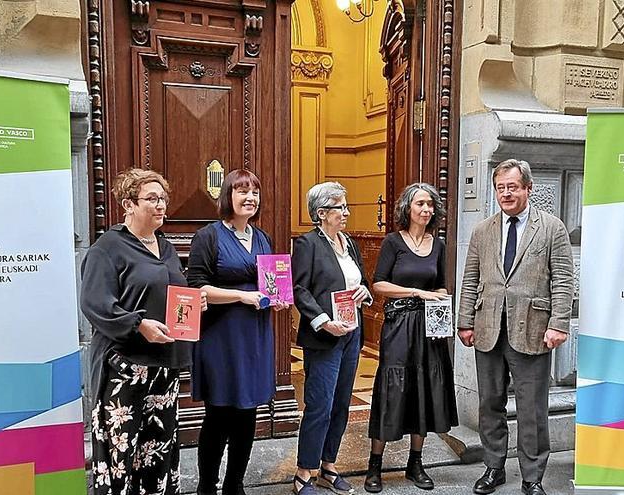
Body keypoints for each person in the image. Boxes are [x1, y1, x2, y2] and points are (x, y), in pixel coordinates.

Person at [81, 168, 207, 495]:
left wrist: (194, 305)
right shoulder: (107, 248)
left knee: (158, 452)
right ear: (128, 204)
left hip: (164, 366)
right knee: (121, 454)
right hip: (126, 367)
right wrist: (138, 325)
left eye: (163, 198)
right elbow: (95, 304)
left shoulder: (164, 246)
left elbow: (168, 295)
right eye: (152, 199)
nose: (161, 205)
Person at [457, 159, 574, 495]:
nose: (506, 193)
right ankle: (493, 468)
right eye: (500, 188)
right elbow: (471, 280)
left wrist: (559, 324)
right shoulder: (483, 230)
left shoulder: (552, 228)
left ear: (528, 188)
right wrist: (465, 322)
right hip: (488, 330)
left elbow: (564, 281)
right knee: (490, 403)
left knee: (532, 408)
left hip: (534, 330)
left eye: (513, 187)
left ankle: (532, 476)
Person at [187, 169, 288, 495]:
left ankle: (235, 484)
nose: (250, 198)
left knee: (248, 415)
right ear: (227, 195)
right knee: (218, 415)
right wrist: (241, 296)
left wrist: (278, 299)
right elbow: (197, 288)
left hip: (255, 336)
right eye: (242, 190)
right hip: (221, 336)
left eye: (255, 192)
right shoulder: (209, 236)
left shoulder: (262, 237)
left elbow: (270, 285)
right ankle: (207, 486)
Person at [364, 183, 459, 493]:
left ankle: (415, 463)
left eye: (431, 205)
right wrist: (417, 292)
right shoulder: (394, 242)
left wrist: (439, 299)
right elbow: (379, 284)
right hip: (399, 325)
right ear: (408, 208)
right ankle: (374, 465)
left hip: (430, 328)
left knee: (425, 390)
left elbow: (443, 286)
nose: (426, 209)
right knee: (392, 389)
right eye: (421, 204)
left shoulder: (439, 245)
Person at [291, 181, 371, 495]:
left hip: (352, 333)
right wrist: (324, 322)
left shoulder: (348, 241)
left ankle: (328, 465)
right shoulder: (308, 244)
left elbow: (360, 279)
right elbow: (300, 289)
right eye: (341, 207)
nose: (347, 213)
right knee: (319, 405)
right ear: (322, 213)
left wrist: (363, 290)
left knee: (341, 404)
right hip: (325, 336)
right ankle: (303, 473)